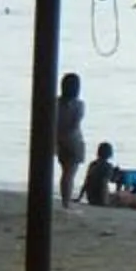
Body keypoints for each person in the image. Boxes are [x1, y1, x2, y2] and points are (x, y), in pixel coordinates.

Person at [54, 72, 86, 207]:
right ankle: (66, 202)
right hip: (74, 140)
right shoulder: (79, 105)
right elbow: (75, 124)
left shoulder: (55, 102)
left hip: (58, 139)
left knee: (64, 173)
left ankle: (65, 201)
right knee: (69, 174)